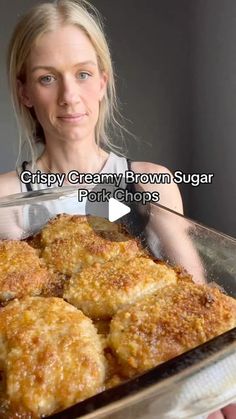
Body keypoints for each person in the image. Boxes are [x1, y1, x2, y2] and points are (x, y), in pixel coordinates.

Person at [0, 1, 234, 417]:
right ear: (25, 91)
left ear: (103, 81)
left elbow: (199, 303)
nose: (70, 96)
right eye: (47, 78)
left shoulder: (149, 182)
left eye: (83, 74)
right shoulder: (6, 200)